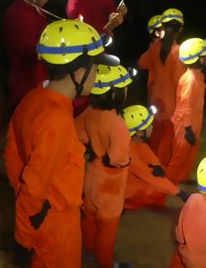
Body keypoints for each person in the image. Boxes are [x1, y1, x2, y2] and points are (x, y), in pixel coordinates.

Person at [4, 19, 119, 268]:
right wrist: (23, 238)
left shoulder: (33, 98)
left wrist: (19, 191)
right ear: (78, 72)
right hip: (56, 225)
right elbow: (34, 183)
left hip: (42, 213)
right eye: (96, 68)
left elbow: (12, 153)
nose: (98, 75)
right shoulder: (56, 118)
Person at [75, 64, 133, 267]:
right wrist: (128, 160)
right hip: (111, 183)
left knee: (89, 216)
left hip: (92, 175)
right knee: (108, 225)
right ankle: (105, 262)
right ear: (115, 93)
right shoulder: (118, 124)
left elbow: (78, 133)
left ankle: (89, 250)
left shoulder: (90, 111)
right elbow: (118, 159)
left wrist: (93, 146)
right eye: (124, 88)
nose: (126, 91)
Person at [3, 0, 63, 108]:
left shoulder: (36, 9)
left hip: (41, 82)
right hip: (26, 89)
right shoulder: (17, 15)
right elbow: (31, 53)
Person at [137, 8, 186, 165]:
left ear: (163, 26)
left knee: (155, 134)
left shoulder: (156, 47)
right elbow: (181, 82)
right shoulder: (181, 52)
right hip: (172, 104)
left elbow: (141, 63)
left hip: (155, 99)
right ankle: (159, 170)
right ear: (181, 29)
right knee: (167, 140)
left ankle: (150, 163)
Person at [122, 105, 188, 210]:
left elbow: (148, 154)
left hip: (132, 178)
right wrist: (179, 193)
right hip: (123, 186)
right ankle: (128, 205)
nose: (152, 127)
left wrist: (156, 165)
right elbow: (148, 176)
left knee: (164, 175)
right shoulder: (127, 152)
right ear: (139, 132)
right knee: (156, 189)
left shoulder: (135, 141)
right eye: (148, 125)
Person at [165, 37, 206, 184]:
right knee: (179, 156)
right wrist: (187, 129)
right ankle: (169, 185)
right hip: (185, 127)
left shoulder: (197, 76)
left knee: (190, 154)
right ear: (199, 59)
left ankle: (181, 178)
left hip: (194, 123)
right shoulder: (190, 80)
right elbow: (184, 106)